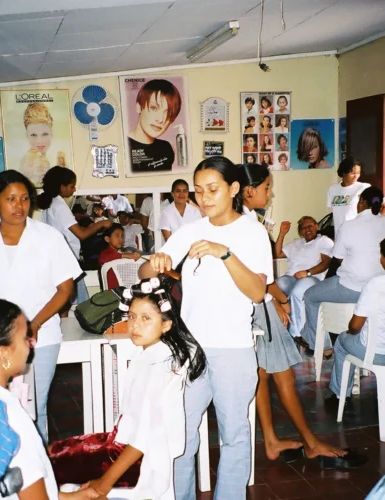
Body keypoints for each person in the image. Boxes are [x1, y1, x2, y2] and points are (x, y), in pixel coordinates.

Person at [139, 156, 273, 499]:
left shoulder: (252, 232)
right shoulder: (191, 230)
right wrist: (155, 263)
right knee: (180, 434)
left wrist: (224, 254)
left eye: (212, 189)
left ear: (233, 189)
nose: (204, 198)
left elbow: (258, 292)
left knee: (234, 435)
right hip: (191, 349)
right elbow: (145, 273)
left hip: (233, 350)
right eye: (198, 191)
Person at [238, 163, 355, 465]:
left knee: (262, 373)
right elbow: (262, 277)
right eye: (267, 187)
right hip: (260, 305)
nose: (271, 191)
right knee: (284, 376)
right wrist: (281, 302)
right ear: (249, 191)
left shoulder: (246, 220)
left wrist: (275, 298)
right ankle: (310, 442)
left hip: (260, 302)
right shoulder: (249, 225)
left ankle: (273, 441)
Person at [49, 277, 207, 499]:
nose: (135, 325)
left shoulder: (158, 365)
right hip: (125, 443)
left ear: (166, 324)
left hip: (143, 459)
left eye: (146, 318)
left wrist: (105, 482)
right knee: (52, 454)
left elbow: (145, 436)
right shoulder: (151, 354)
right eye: (132, 317)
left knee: (47, 464)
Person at [0, 170, 83, 445]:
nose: (19, 206)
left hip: (40, 337)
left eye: (25, 199)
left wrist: (35, 323)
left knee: (33, 411)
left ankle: (39, 481)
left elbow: (65, 289)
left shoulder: (48, 237)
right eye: (11, 199)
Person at [0, 298, 106, 499]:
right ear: (4, 353)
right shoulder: (8, 416)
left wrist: (68, 497)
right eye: (25, 338)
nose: (31, 344)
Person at [299, 186, 385, 356]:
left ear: (361, 202)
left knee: (309, 296)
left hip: (351, 287)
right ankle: (307, 335)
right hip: (379, 289)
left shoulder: (349, 225)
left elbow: (338, 257)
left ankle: (323, 346)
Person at [38, 166, 112, 309]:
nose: (74, 190)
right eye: (72, 186)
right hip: (65, 261)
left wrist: (91, 226)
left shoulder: (51, 203)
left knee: (64, 303)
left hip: (59, 260)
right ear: (62, 186)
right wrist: (102, 223)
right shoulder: (59, 206)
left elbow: (71, 231)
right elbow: (82, 235)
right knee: (82, 305)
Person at [328, 239, 385, 400]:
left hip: (377, 352)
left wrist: (349, 331)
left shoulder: (376, 284)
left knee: (341, 341)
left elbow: (354, 326)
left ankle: (340, 394)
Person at [275, 216, 334, 339]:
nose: (307, 229)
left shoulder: (324, 241)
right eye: (303, 228)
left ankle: (297, 334)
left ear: (316, 226)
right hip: (290, 277)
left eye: (310, 226)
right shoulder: (296, 243)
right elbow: (278, 253)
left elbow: (325, 263)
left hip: (312, 277)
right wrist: (281, 233)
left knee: (297, 293)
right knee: (275, 287)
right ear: (300, 232)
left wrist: (307, 272)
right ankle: (279, 329)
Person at [128, 79, 182, 173]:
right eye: (154, 108)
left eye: (168, 113)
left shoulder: (166, 148)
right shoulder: (125, 146)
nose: (161, 119)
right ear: (139, 107)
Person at [327, 157, 370, 237]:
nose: (356, 176)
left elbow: (379, 201)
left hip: (357, 234)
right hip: (340, 235)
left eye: (358, 173)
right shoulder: (333, 189)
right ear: (344, 173)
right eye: (353, 173)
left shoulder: (363, 187)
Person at [19, 103, 56, 186]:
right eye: (33, 135)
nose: (39, 141)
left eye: (45, 134)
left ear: (51, 134)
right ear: (27, 136)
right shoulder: (28, 165)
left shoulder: (45, 160)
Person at [98, 224, 141, 289]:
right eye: (117, 236)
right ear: (107, 239)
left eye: (122, 236)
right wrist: (125, 255)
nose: (121, 239)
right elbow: (103, 258)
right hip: (113, 291)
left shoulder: (121, 252)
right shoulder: (105, 253)